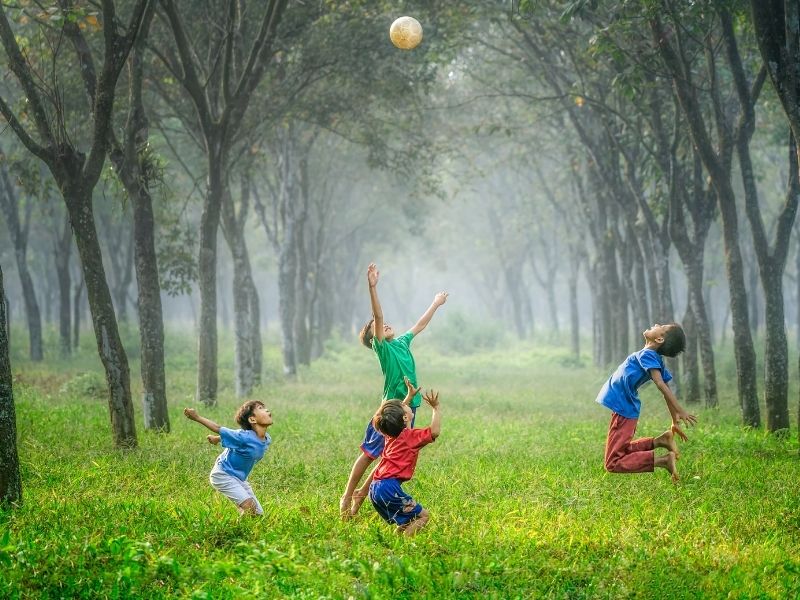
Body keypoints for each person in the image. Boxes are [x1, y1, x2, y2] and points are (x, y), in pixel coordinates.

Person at [340, 262, 448, 518]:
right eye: (376, 327)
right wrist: (372, 287)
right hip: (390, 410)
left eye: (385, 324)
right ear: (373, 337)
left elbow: (420, 325)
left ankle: (360, 499)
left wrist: (435, 303)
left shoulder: (401, 342)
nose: (384, 324)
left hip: (409, 408)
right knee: (369, 454)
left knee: (390, 456)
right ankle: (347, 496)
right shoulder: (383, 348)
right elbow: (377, 316)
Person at [595, 323, 697, 482]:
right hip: (624, 408)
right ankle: (660, 441)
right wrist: (673, 419)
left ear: (659, 338)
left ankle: (663, 461)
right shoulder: (653, 357)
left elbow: (661, 384)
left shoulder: (648, 355)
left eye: (661, 326)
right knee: (622, 450)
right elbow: (666, 388)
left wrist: (680, 410)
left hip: (624, 409)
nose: (656, 324)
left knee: (613, 463)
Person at [369, 383, 441, 536]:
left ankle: (396, 541)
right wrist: (436, 408)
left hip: (375, 488)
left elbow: (395, 414)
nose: (406, 405)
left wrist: (409, 396)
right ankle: (405, 546)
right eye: (405, 406)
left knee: (408, 520)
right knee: (423, 516)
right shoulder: (410, 437)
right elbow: (434, 432)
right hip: (388, 488)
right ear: (405, 417)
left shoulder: (390, 435)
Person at [184, 400, 273, 515]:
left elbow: (234, 438)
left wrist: (217, 439)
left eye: (265, 407)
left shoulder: (267, 439)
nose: (266, 410)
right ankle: (233, 531)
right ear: (252, 419)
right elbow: (219, 428)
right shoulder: (243, 436)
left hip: (239, 479)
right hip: (223, 474)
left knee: (257, 514)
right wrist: (197, 417)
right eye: (260, 408)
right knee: (249, 507)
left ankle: (242, 527)